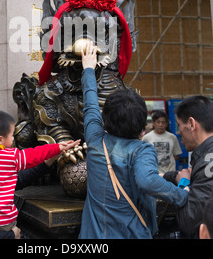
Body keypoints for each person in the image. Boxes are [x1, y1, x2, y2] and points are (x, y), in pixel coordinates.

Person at [78, 41, 188, 239]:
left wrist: (88, 69)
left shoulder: (94, 140)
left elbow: (91, 104)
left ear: (106, 119)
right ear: (141, 125)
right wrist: (183, 195)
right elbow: (147, 181)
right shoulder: (142, 150)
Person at [0, 110, 79, 234]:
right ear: (0, 140)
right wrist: (57, 147)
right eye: (12, 136)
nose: (13, 138)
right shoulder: (12, 157)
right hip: (3, 221)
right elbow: (35, 155)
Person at [171, 95, 213, 238]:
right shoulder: (206, 156)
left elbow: (188, 221)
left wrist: (183, 183)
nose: (178, 132)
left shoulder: (208, 162)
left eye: (178, 125)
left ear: (191, 124)